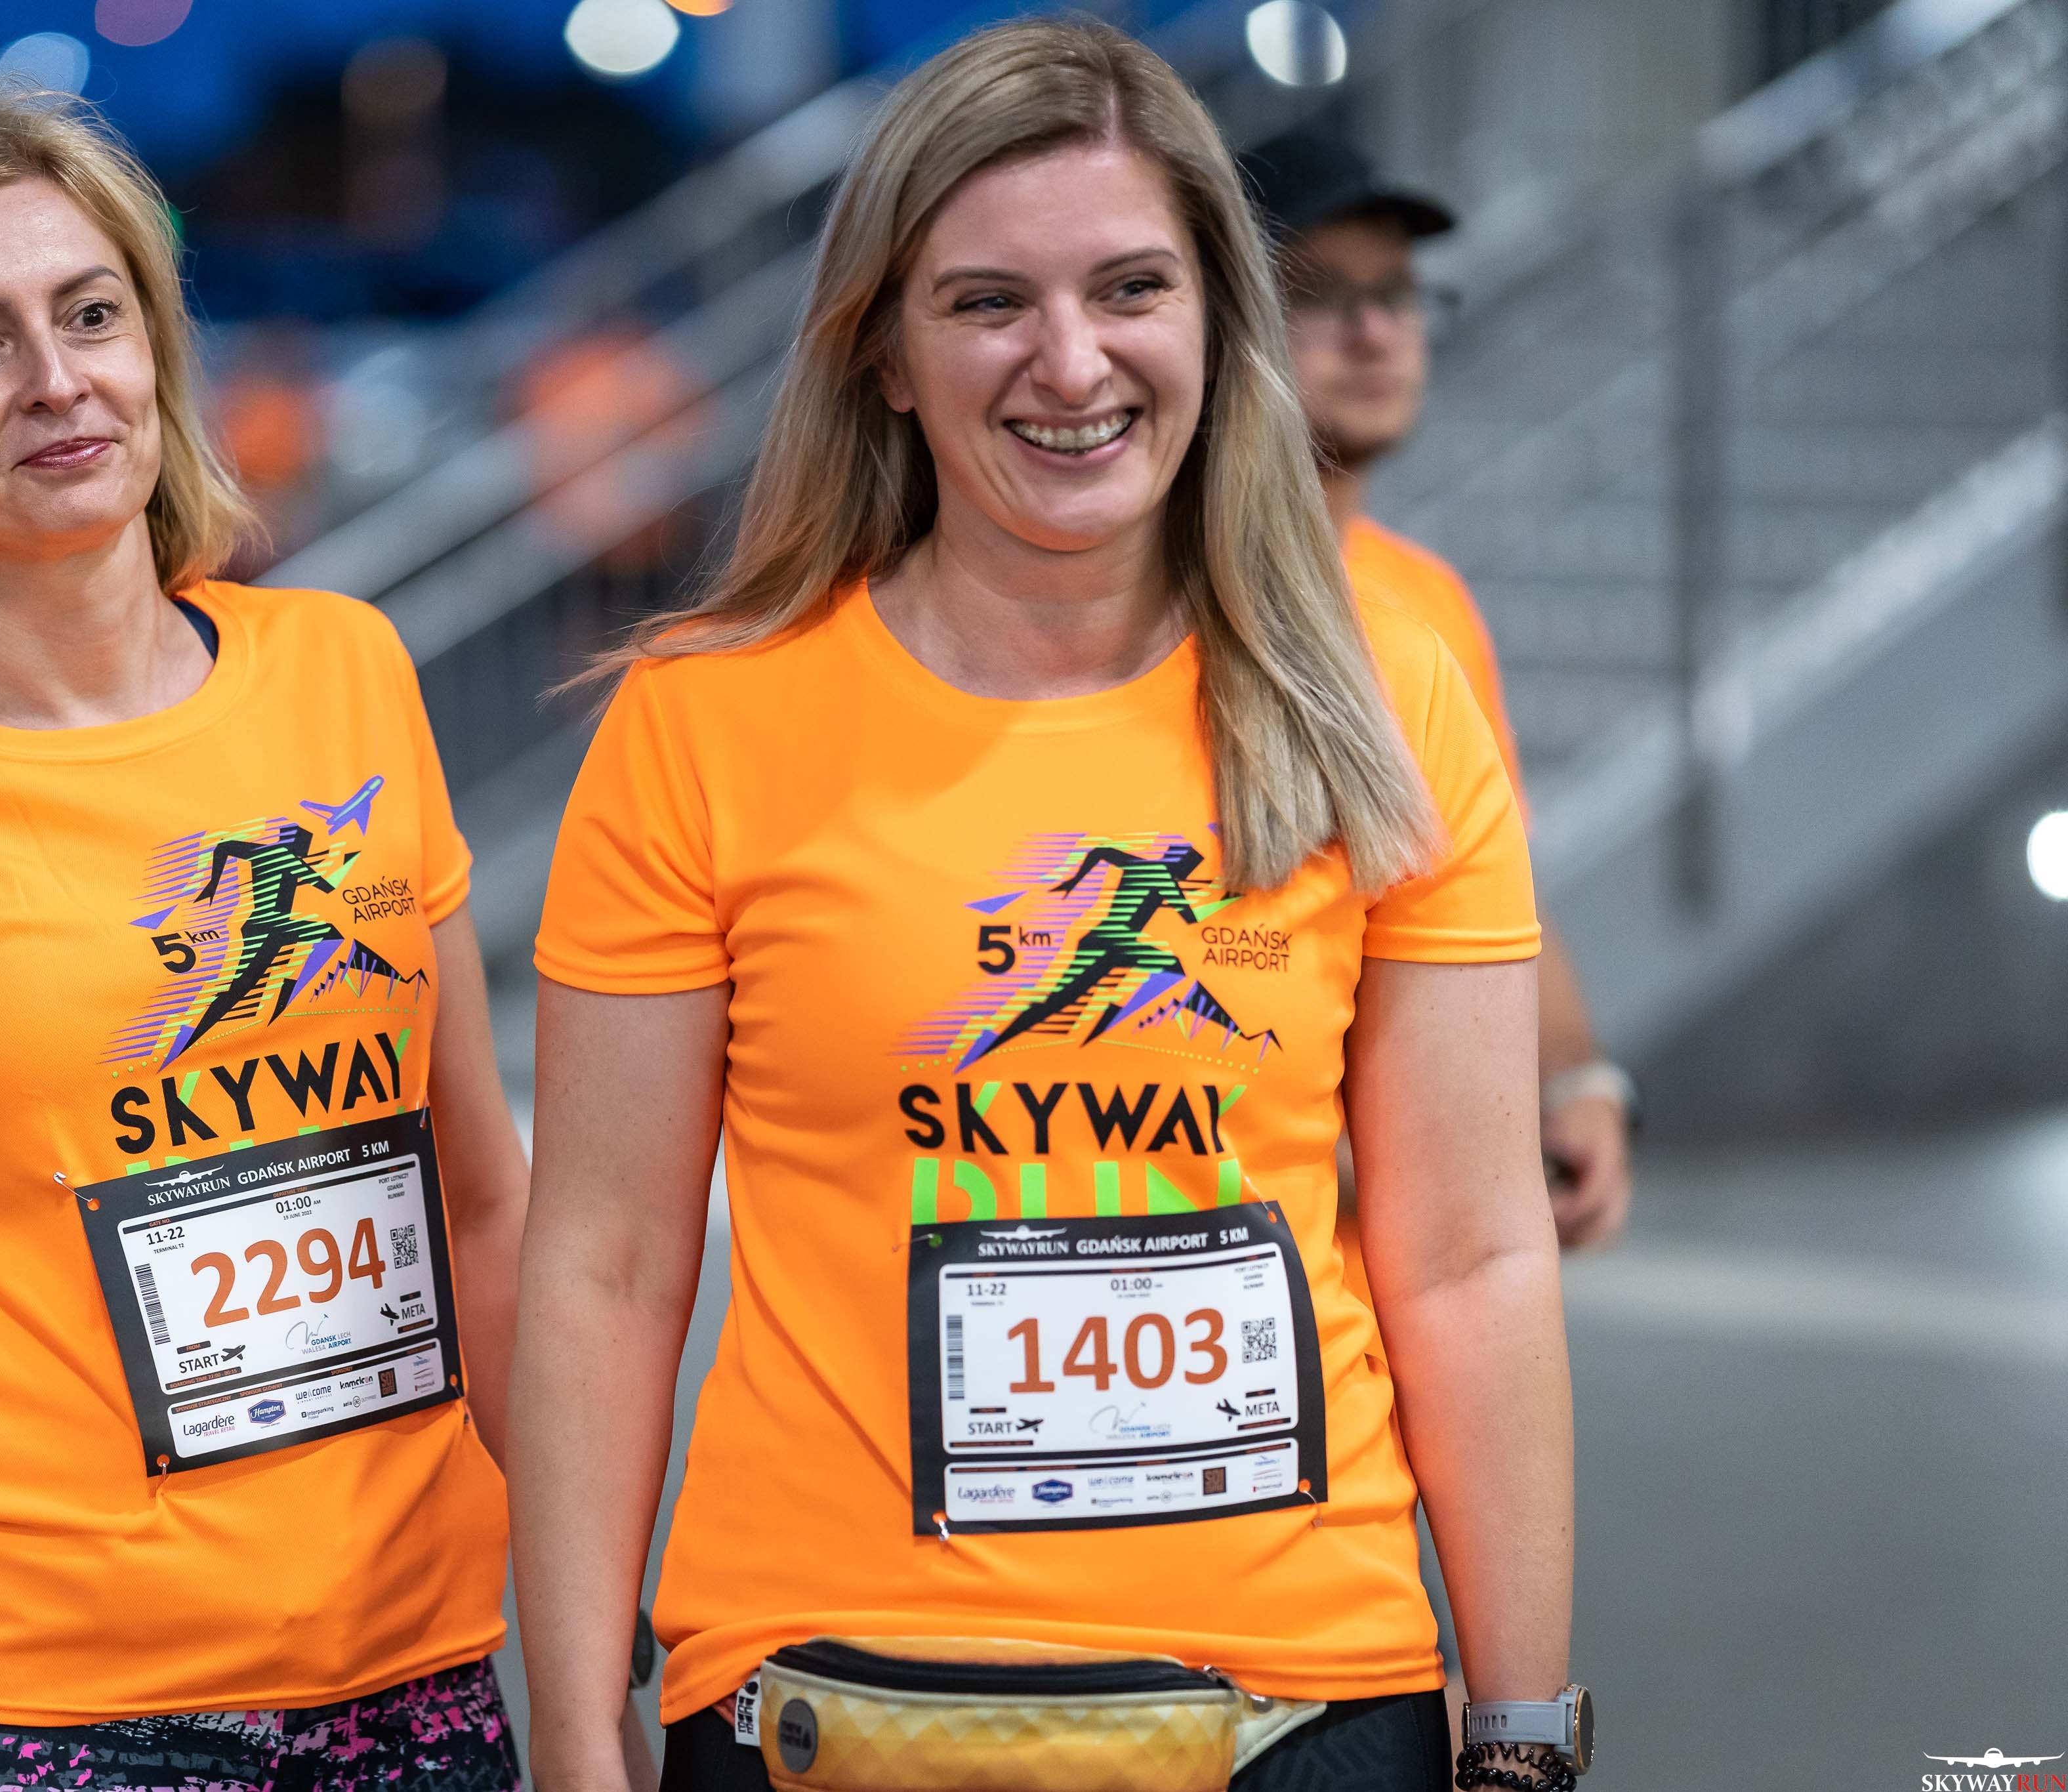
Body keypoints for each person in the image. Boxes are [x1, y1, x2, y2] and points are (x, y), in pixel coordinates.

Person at [513, 20, 1580, 1792]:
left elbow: (1468, 1253)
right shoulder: (705, 718)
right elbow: (605, 1265)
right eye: (988, 301)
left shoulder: (1385, 697)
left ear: (1218, 319)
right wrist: (570, 1723)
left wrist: (1525, 1725)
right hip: (824, 1702)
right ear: (884, 356)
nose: (1070, 361)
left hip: (1305, 1707)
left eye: (1130, 287)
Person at [0, 92, 526, 1791]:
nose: (56, 381)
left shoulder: (345, 672)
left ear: (157, 349)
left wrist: (581, 1663)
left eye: (91, 313)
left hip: (421, 1692)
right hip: (19, 1723)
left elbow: (486, 1206)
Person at [1245, 128, 1636, 1252]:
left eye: (1398, 294)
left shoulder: (1427, 604)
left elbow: (1494, 887)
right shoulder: (1171, 606)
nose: (1374, 331)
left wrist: (1580, 1080)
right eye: (1319, 293)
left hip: (1398, 1295)